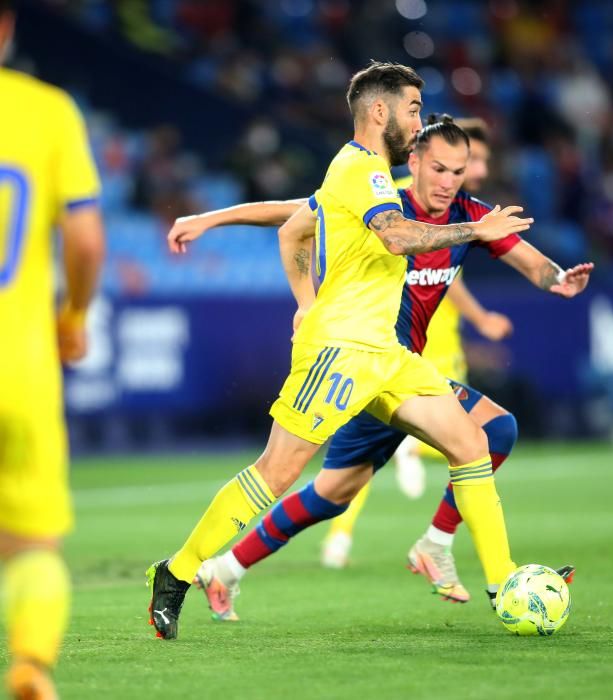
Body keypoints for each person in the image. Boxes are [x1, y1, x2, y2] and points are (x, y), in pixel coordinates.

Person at [147, 61, 533, 640]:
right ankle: (175, 574)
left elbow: (291, 229)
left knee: (473, 440)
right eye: (412, 110)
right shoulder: (360, 170)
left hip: (385, 353)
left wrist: (300, 295)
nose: (417, 122)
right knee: (276, 474)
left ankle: (505, 586)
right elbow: (397, 237)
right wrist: (472, 232)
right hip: (342, 351)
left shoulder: (361, 175)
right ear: (380, 112)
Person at [320, 118, 512, 569]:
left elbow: (453, 271)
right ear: (422, 160)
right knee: (467, 436)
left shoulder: (465, 206)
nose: (472, 172)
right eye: (465, 163)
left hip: (435, 343)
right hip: (387, 345)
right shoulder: (392, 196)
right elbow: (307, 214)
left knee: (478, 436)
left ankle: (462, 555)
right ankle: (452, 551)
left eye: (472, 165)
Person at [0, 1, 106, 696]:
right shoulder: (46, 111)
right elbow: (88, 240)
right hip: (19, 364)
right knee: (33, 548)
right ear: (6, 29)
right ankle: (32, 663)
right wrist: (72, 314)